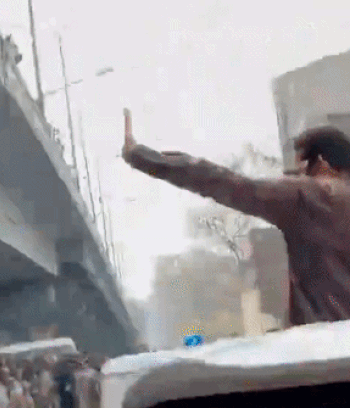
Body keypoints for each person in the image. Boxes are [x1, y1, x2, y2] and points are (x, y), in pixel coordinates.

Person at [121, 108, 350, 327]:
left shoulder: (311, 196)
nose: (296, 176)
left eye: (300, 170)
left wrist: (142, 157)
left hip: (331, 342)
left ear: (321, 162)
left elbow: (227, 183)